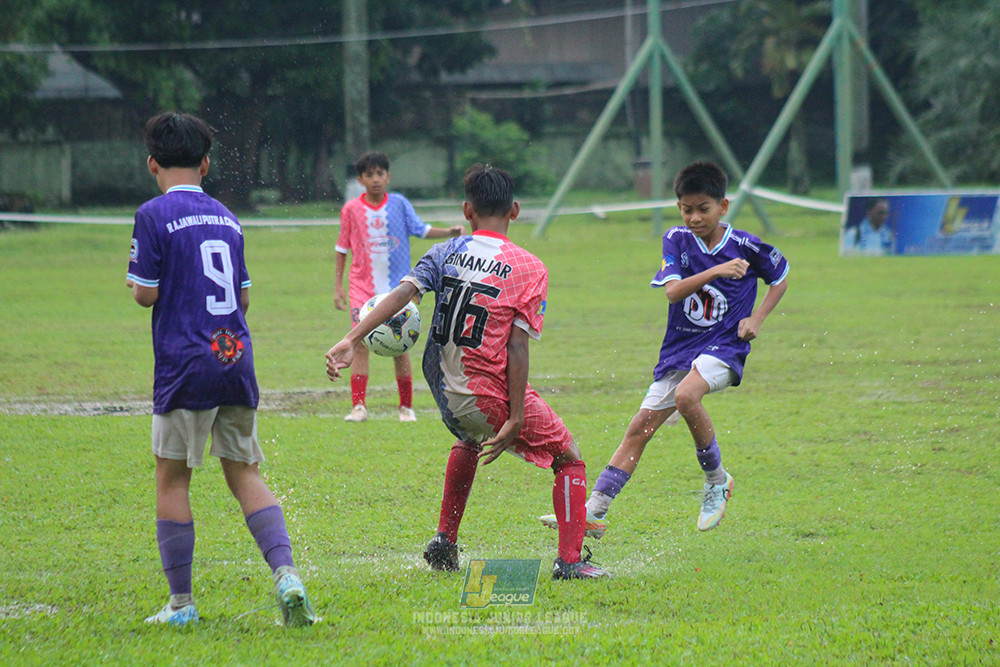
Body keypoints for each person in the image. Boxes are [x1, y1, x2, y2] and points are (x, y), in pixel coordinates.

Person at [326, 164, 609, 580]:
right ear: (514, 211)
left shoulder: (445, 252)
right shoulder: (530, 267)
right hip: (490, 394)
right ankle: (569, 562)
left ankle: (444, 541)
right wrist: (514, 415)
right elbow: (516, 344)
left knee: (468, 437)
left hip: (444, 391)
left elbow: (403, 295)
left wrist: (352, 338)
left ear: (467, 210)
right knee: (569, 457)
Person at [126, 112, 316, 627]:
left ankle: (181, 605)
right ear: (206, 164)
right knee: (245, 473)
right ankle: (287, 575)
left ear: (152, 164)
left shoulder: (152, 214)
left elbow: (146, 293)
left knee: (173, 479)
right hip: (235, 360)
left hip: (185, 364)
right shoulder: (228, 218)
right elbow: (244, 299)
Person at [540, 161, 789, 537]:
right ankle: (595, 510)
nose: (694, 217)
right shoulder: (676, 239)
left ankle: (717, 480)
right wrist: (717, 272)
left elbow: (781, 276)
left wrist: (757, 319)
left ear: (723, 206)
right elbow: (673, 291)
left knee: (688, 397)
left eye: (703, 209)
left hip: (725, 346)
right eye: (686, 209)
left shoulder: (746, 246)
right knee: (639, 427)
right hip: (679, 350)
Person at [335, 151, 465, 423]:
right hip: (362, 288)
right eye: (369, 175)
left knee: (400, 344)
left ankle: (406, 407)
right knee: (358, 343)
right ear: (360, 180)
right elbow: (342, 247)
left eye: (380, 174)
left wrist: (449, 232)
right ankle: (358, 406)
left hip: (399, 289)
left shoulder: (399, 204)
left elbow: (421, 229)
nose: (375, 179)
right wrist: (338, 286)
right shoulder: (351, 210)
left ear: (388, 177)